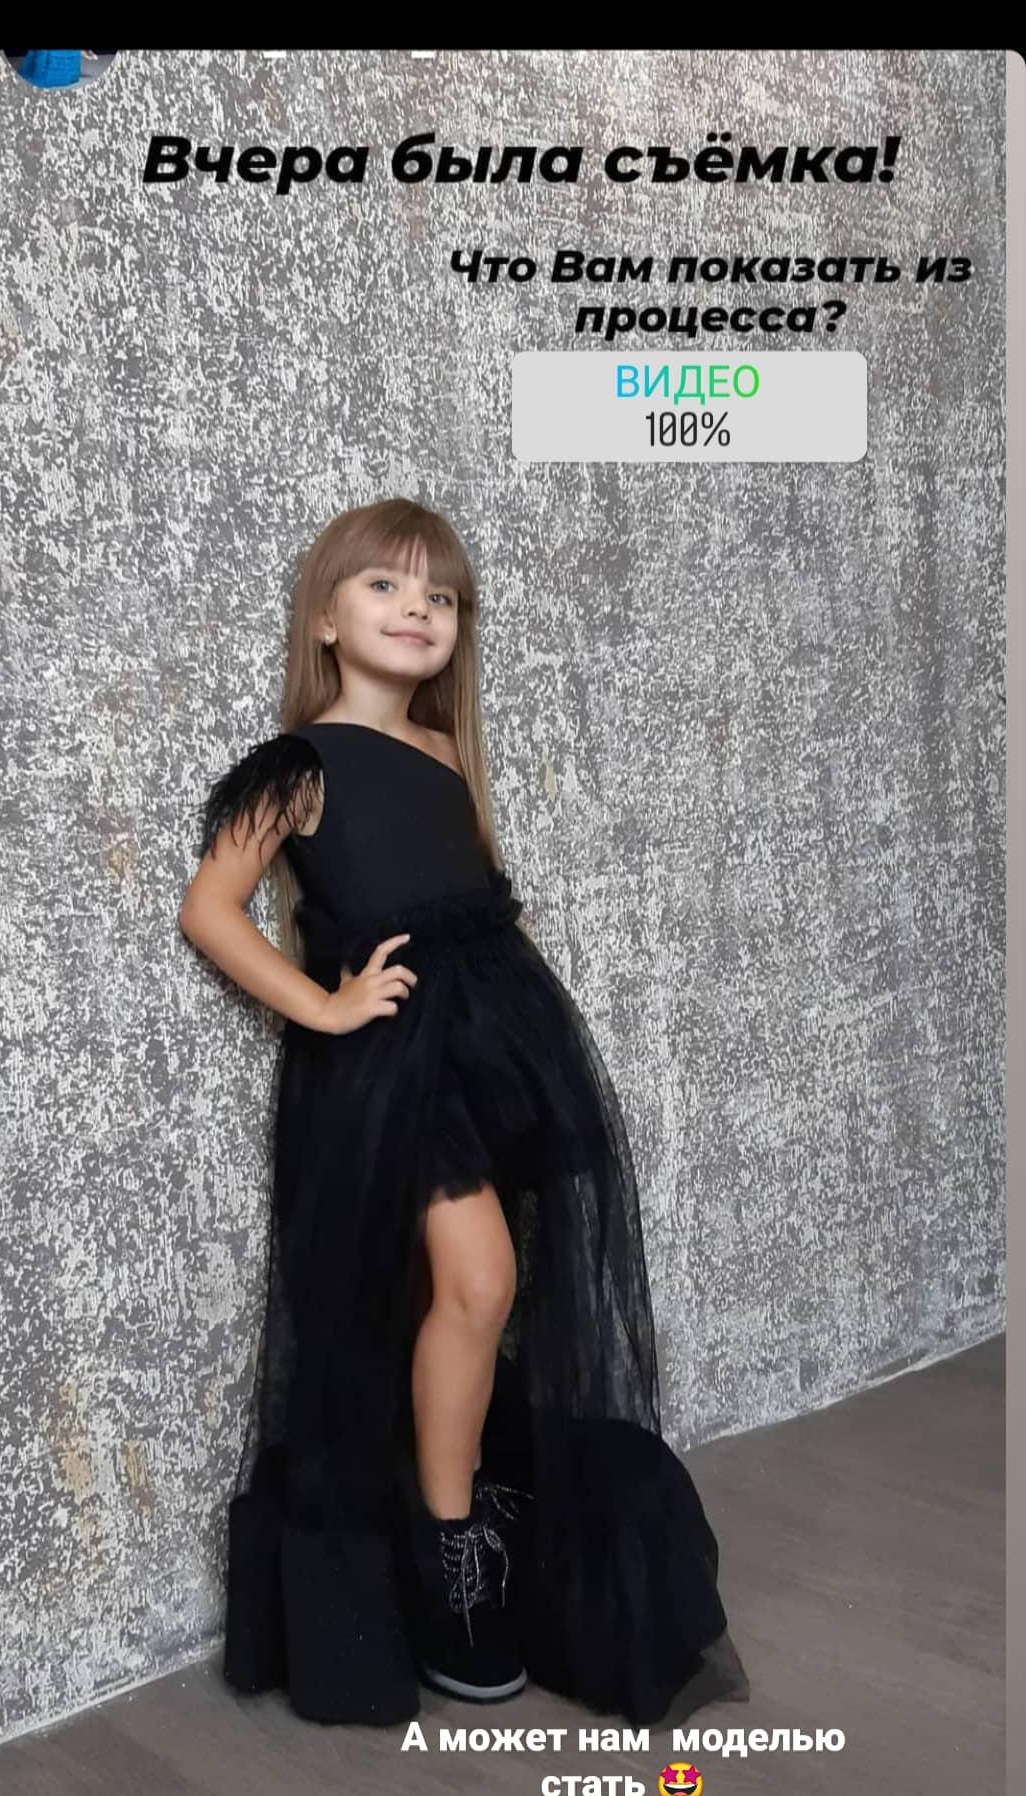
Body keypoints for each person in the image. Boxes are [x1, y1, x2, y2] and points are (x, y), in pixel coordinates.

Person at [179, 497, 750, 1730]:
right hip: (392, 1066)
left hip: (495, 1046)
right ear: (326, 620)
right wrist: (325, 1007)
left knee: (497, 1286)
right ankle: (449, 1547)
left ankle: (467, 1502)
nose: (417, 610)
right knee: (480, 1280)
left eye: (439, 596)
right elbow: (209, 909)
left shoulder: (445, 752)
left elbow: (472, 896)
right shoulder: (297, 767)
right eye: (385, 588)